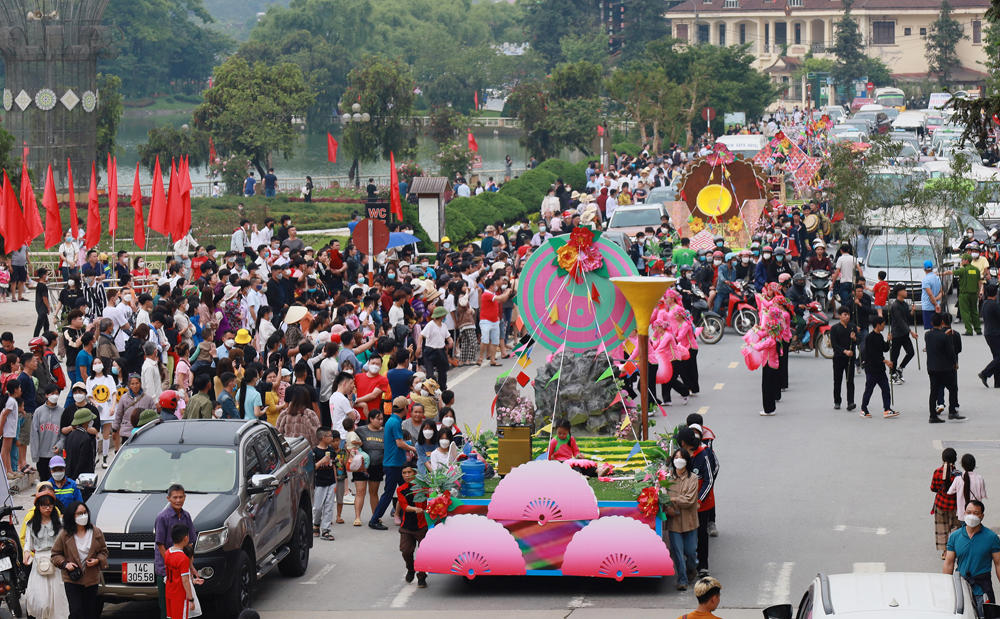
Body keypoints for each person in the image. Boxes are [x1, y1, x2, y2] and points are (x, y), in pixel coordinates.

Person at [51, 501, 108, 619]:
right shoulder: (64, 534)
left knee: (89, 611)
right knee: (76, 611)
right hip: (72, 579)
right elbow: (55, 555)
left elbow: (104, 551)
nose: (83, 516)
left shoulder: (96, 532)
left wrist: (97, 561)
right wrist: (65, 563)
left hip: (91, 579)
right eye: (79, 513)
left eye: (85, 512)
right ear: (72, 516)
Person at [943, 500, 1000, 617]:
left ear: (982, 516)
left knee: (985, 616)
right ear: (964, 513)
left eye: (976, 513)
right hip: (961, 588)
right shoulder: (955, 536)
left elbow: (998, 563)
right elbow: (949, 563)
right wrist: (944, 586)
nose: (972, 516)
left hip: (982, 589)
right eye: (969, 512)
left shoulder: (991, 537)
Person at [677, 428, 718, 578]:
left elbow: (709, 479)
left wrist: (700, 499)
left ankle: (703, 565)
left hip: (702, 503)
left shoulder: (704, 454)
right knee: (686, 533)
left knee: (701, 533)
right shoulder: (681, 456)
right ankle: (689, 565)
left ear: (682, 442)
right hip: (685, 503)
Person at [23, 486, 70, 619]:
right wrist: (26, 553)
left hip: (56, 561)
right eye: (44, 505)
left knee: (58, 599)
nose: (48, 508)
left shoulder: (60, 523)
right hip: (39, 562)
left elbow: (65, 543)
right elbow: (28, 543)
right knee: (41, 601)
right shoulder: (31, 524)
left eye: (50, 505)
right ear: (38, 507)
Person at [371, 396, 416, 531]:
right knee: (390, 492)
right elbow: (399, 442)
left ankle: (406, 515)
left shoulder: (392, 420)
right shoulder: (396, 422)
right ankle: (374, 519)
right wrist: (414, 449)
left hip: (395, 462)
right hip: (394, 463)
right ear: (405, 409)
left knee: (406, 490)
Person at [154, 483, 198, 619]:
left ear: (185, 497)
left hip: (182, 568)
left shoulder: (186, 516)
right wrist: (171, 562)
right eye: (175, 497)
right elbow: (160, 545)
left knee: (181, 606)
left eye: (181, 497)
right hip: (167, 570)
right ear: (168, 499)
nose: (178, 500)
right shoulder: (162, 518)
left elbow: (189, 544)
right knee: (166, 606)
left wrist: (191, 567)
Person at [666, 448, 699, 591]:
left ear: (686, 461)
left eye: (682, 457)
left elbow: (689, 500)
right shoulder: (666, 478)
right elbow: (661, 496)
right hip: (673, 521)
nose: (678, 460)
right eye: (676, 457)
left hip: (689, 521)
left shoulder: (693, 479)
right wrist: (668, 507)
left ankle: (692, 568)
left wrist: (672, 499)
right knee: (677, 552)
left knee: (690, 552)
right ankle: (682, 580)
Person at [396, 462, 429, 587]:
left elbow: (432, 499)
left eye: (409, 472)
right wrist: (415, 509)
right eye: (404, 473)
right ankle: (410, 568)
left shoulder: (424, 488)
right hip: (406, 527)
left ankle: (421, 577)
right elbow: (404, 506)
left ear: (415, 473)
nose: (407, 475)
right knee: (405, 551)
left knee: (423, 553)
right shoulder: (401, 489)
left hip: (422, 526)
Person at [859, 316, 897, 419]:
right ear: (878, 325)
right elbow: (872, 354)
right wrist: (885, 361)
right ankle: (864, 409)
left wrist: (888, 341)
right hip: (872, 368)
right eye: (883, 324)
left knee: (886, 388)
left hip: (880, 369)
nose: (884, 326)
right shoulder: (870, 338)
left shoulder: (879, 336)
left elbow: (884, 349)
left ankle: (887, 409)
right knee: (869, 389)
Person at [926, 313, 960, 423]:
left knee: (934, 391)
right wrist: (954, 363)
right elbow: (950, 352)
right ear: (941, 322)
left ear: (931, 323)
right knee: (953, 388)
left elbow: (936, 339)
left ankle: (932, 415)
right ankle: (952, 411)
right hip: (944, 368)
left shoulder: (927, 335)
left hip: (932, 367)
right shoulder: (944, 337)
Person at [353, 410, 385, 527]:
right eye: (378, 419)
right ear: (371, 419)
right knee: (360, 491)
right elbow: (350, 442)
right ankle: (357, 517)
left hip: (377, 466)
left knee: (374, 492)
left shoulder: (385, 432)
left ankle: (374, 515)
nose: (381, 421)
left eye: (382, 419)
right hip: (361, 466)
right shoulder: (360, 430)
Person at [165, 524, 202, 619]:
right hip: (180, 596)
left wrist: (192, 581)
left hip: (169, 593)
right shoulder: (183, 558)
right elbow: (185, 581)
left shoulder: (167, 552)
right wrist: (191, 599)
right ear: (186, 538)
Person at [313, 428, 343, 540]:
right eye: (330, 436)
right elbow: (313, 467)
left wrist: (335, 481)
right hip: (319, 483)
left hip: (330, 482)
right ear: (324, 438)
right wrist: (322, 461)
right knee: (318, 507)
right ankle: (316, 524)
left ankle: (325, 530)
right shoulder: (315, 451)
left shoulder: (331, 450)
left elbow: (334, 466)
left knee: (329, 506)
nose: (332, 438)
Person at [932, 448, 961, 558]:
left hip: (940, 505)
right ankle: (953, 549)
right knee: (955, 527)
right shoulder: (958, 475)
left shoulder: (937, 472)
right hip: (954, 505)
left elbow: (933, 488)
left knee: (941, 528)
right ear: (955, 459)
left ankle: (945, 552)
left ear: (942, 459)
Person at [477, 276, 512, 366]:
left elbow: (501, 300)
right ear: (492, 286)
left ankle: (492, 360)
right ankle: (481, 357)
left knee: (495, 341)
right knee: (484, 339)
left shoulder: (493, 294)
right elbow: (500, 298)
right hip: (486, 320)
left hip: (495, 320)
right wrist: (507, 292)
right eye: (495, 285)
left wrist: (507, 294)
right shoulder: (487, 294)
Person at [830, 307, 857, 411]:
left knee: (850, 380)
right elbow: (834, 344)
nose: (847, 317)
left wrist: (854, 338)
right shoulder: (835, 328)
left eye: (848, 315)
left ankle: (850, 401)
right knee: (837, 380)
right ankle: (837, 401)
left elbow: (858, 341)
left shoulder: (852, 327)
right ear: (840, 316)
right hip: (838, 357)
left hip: (850, 358)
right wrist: (845, 351)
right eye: (845, 315)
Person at [889, 285, 917, 385]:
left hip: (904, 334)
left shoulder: (904, 304)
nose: (906, 292)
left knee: (911, 352)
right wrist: (911, 332)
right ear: (899, 292)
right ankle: (892, 375)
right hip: (897, 333)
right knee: (895, 355)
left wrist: (912, 311)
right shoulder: (895, 306)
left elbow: (907, 319)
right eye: (904, 290)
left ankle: (900, 369)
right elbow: (900, 322)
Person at [956, 253, 983, 335]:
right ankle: (978, 330)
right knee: (974, 311)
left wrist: (938, 274)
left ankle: (969, 330)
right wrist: (979, 293)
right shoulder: (976, 270)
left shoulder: (962, 270)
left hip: (964, 294)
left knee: (965, 312)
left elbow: (951, 272)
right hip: (974, 294)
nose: (961, 261)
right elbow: (979, 282)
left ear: (966, 261)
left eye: (962, 260)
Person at [979, 284, 1000, 388]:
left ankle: (998, 382)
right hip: (995, 333)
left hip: (988, 332)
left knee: (997, 357)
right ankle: (985, 373)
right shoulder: (994, 305)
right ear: (996, 294)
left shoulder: (985, 303)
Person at [922, 260, 945, 330]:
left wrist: (934, 303)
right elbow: (941, 292)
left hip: (928, 307)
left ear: (924, 269)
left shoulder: (926, 280)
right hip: (936, 304)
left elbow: (930, 294)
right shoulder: (937, 278)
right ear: (933, 268)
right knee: (937, 327)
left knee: (931, 328)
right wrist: (936, 300)